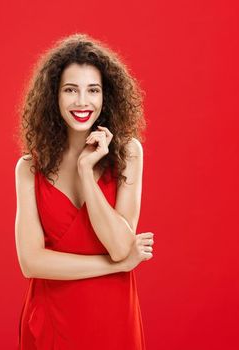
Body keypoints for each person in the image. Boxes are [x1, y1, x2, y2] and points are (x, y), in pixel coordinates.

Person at [14, 33, 154, 349]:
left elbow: (120, 244)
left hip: (113, 319)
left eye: (93, 90)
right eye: (70, 90)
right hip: (51, 321)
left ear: (107, 97)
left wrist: (86, 174)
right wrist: (117, 266)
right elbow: (31, 262)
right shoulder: (29, 168)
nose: (82, 102)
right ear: (54, 97)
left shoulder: (129, 152)